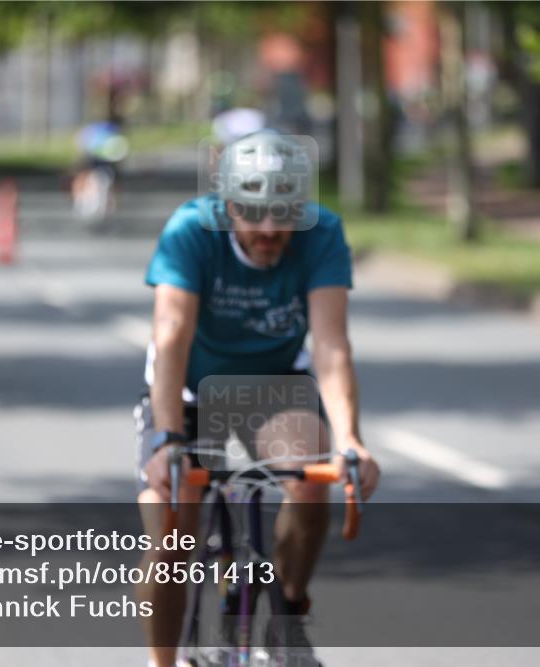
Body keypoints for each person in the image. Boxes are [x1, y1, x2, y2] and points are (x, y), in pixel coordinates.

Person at [134, 130, 381, 667]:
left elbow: (331, 345)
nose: (269, 229)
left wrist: (351, 441)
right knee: (169, 536)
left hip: (276, 390)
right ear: (226, 205)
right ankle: (162, 662)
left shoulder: (323, 233)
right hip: (189, 392)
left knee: (312, 480)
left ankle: (288, 616)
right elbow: (172, 333)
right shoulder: (190, 231)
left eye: (284, 213)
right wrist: (167, 439)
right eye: (253, 213)